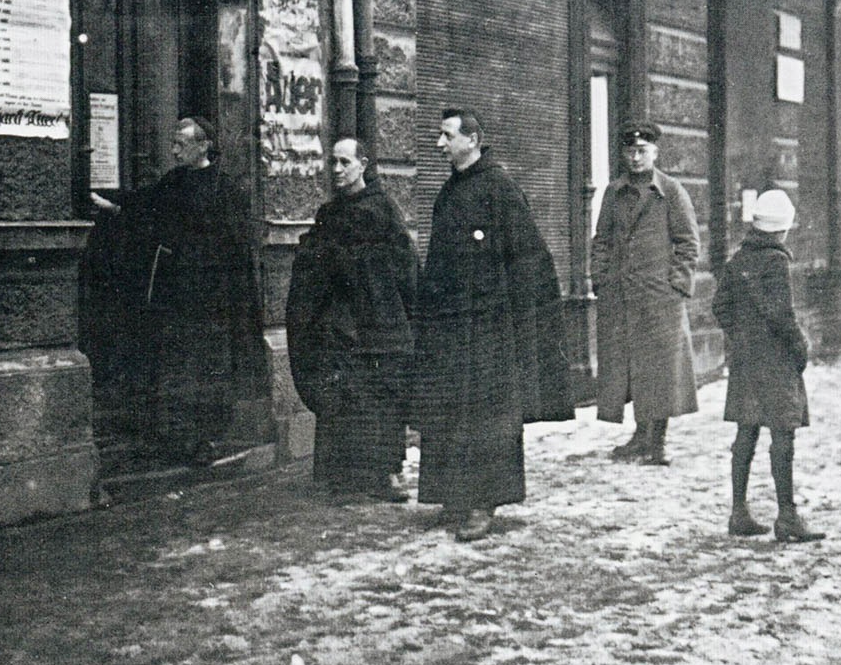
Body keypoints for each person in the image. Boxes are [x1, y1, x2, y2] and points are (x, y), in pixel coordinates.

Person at [414, 108, 572, 542]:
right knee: (450, 411)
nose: (440, 144)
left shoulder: (500, 188)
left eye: (447, 136)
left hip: (490, 330)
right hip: (451, 326)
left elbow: (530, 258)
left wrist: (514, 320)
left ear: (472, 140)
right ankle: (453, 496)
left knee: (488, 417)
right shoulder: (449, 191)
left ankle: (484, 503)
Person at [92, 118, 271, 462]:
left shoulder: (225, 188)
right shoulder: (173, 181)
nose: (174, 151)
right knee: (175, 364)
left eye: (181, 144)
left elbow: (238, 245)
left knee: (207, 368)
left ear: (203, 146)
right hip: (176, 293)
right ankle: (176, 437)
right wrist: (109, 204)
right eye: (173, 144)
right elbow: (143, 206)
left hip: (212, 299)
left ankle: (206, 439)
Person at [286, 137, 417, 502]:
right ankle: (343, 477)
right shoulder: (329, 214)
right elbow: (315, 265)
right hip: (342, 324)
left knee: (381, 398)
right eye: (333, 163)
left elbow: (404, 263)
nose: (338, 170)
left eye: (345, 162)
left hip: (378, 321)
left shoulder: (382, 208)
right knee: (342, 398)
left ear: (363, 164)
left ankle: (386, 474)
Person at [712, 188, 825, 543]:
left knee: (746, 432)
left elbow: (720, 306)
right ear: (782, 228)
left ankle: (739, 512)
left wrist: (740, 337)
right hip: (775, 362)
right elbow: (782, 315)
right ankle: (787, 516)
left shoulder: (738, 259)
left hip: (747, 362)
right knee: (782, 435)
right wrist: (800, 347)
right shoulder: (776, 261)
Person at [591, 122, 700, 466]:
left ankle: (658, 442)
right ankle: (640, 437)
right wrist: (601, 279)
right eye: (630, 151)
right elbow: (601, 241)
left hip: (659, 300)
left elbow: (688, 243)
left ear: (655, 152)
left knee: (661, 371)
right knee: (632, 368)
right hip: (622, 298)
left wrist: (676, 286)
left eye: (642, 151)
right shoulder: (613, 192)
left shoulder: (671, 191)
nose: (635, 158)